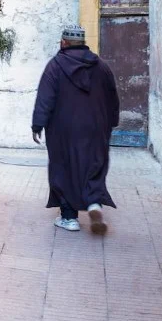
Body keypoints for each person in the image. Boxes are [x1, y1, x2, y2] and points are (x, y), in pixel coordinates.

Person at [32, 25, 120, 234]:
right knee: (94, 164)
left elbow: (45, 98)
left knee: (64, 167)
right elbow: (112, 97)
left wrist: (37, 124)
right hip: (96, 127)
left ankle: (69, 218)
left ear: (63, 43)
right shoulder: (102, 66)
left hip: (64, 130)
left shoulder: (55, 66)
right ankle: (93, 203)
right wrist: (112, 121)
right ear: (83, 43)